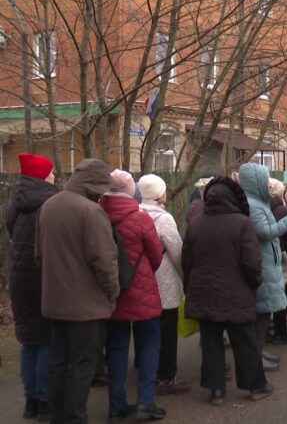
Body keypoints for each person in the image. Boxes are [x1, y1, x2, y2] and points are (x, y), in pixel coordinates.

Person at [37, 159, 119, 423]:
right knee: (82, 365)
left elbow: (38, 255)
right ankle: (74, 418)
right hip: (85, 305)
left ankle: (57, 415)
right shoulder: (91, 212)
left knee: (58, 361)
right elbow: (104, 262)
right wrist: (112, 292)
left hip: (54, 301)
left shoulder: (49, 205)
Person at [182, 176, 273, 405]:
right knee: (245, 342)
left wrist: (190, 286)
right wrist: (254, 283)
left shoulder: (196, 223)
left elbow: (187, 261)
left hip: (204, 291)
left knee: (211, 343)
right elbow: (252, 261)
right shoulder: (241, 223)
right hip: (236, 292)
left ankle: (216, 390)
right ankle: (255, 386)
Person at [99, 170, 165, 422]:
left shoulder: (98, 215)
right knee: (149, 344)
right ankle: (145, 402)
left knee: (115, 348)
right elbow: (156, 255)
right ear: (131, 191)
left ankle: (115, 406)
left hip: (111, 291)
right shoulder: (141, 218)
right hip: (142, 289)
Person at [5, 153, 58, 420]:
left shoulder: (15, 202)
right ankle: (46, 399)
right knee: (47, 340)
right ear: (42, 176)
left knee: (28, 341)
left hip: (19, 277)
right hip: (43, 276)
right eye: (50, 172)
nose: (54, 176)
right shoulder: (50, 203)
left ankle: (31, 400)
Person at [239, 163, 287, 372]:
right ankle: (255, 357)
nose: (267, 184)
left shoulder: (259, 203)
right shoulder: (254, 205)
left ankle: (259, 352)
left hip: (267, 262)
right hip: (262, 264)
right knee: (261, 315)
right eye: (264, 180)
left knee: (264, 315)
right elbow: (265, 232)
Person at [138, 174, 192, 397]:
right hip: (164, 280)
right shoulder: (164, 219)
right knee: (167, 330)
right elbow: (177, 252)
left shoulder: (136, 213)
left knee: (145, 328)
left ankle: (146, 368)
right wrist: (186, 277)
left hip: (142, 279)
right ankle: (166, 376)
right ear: (159, 193)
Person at [267, 178, 287, 345]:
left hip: (266, 257)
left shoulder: (262, 208)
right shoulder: (283, 211)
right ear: (280, 193)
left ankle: (267, 331)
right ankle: (281, 331)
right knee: (282, 294)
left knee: (267, 295)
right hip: (282, 255)